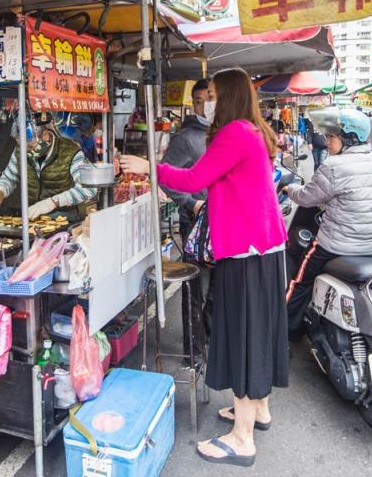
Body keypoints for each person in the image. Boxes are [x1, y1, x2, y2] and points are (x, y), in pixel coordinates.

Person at [120, 68, 287, 468]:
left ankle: (242, 438)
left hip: (246, 250)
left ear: (225, 96)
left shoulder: (234, 133)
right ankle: (257, 409)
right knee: (259, 331)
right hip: (264, 247)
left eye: (211, 94)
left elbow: (195, 176)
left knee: (245, 336)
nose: (205, 101)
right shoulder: (255, 131)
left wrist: (149, 167)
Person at [284, 108, 372, 338]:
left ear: (349, 138)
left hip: (333, 247)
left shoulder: (333, 167)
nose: (327, 142)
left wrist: (287, 188)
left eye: (332, 137)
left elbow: (306, 197)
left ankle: (287, 330)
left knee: (300, 281)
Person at [161, 79, 214, 363]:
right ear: (193, 102)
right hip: (195, 225)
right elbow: (166, 176)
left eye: (213, 97)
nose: (208, 104)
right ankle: (192, 350)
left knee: (218, 289)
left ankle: (210, 340)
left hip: (223, 224)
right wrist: (191, 203)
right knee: (195, 287)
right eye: (203, 98)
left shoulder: (220, 134)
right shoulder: (186, 138)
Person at [0, 111, 96, 220]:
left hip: (64, 220)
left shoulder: (71, 152)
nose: (25, 150)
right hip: (33, 220)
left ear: (45, 135)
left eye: (29, 146)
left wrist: (52, 203)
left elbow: (89, 188)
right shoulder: (20, 151)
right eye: (21, 145)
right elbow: (9, 178)